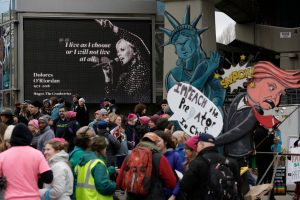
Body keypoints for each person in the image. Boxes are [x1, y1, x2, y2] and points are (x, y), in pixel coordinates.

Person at [161, 6, 225, 114]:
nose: (182, 48)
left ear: (196, 42)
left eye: (185, 42)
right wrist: (209, 71)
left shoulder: (206, 66)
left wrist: (215, 102)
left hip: (207, 120)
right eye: (177, 45)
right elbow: (189, 93)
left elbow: (219, 92)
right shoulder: (173, 75)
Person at [96, 19, 151, 103]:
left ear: (135, 51)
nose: (118, 54)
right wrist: (108, 78)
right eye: (117, 52)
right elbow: (111, 100)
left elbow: (137, 41)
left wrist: (113, 27)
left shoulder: (145, 65)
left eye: (122, 49)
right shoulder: (123, 78)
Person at [116, 132, 177, 200]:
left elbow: (119, 180)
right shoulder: (159, 158)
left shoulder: (130, 156)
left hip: (132, 196)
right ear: (156, 143)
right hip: (154, 196)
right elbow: (172, 183)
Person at [0, 123, 53, 200]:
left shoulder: (2, 156)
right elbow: (48, 178)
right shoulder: (37, 154)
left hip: (11, 197)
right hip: (33, 197)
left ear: (12, 138)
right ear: (29, 137)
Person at [180, 133, 239, 200]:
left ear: (201, 144)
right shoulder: (230, 161)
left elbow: (184, 186)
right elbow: (238, 185)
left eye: (197, 144)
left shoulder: (198, 163)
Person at [155, 131, 184, 200]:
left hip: (169, 195)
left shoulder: (175, 156)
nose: (156, 144)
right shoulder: (152, 155)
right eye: (154, 141)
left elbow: (180, 178)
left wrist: (174, 195)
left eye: (158, 141)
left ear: (165, 142)